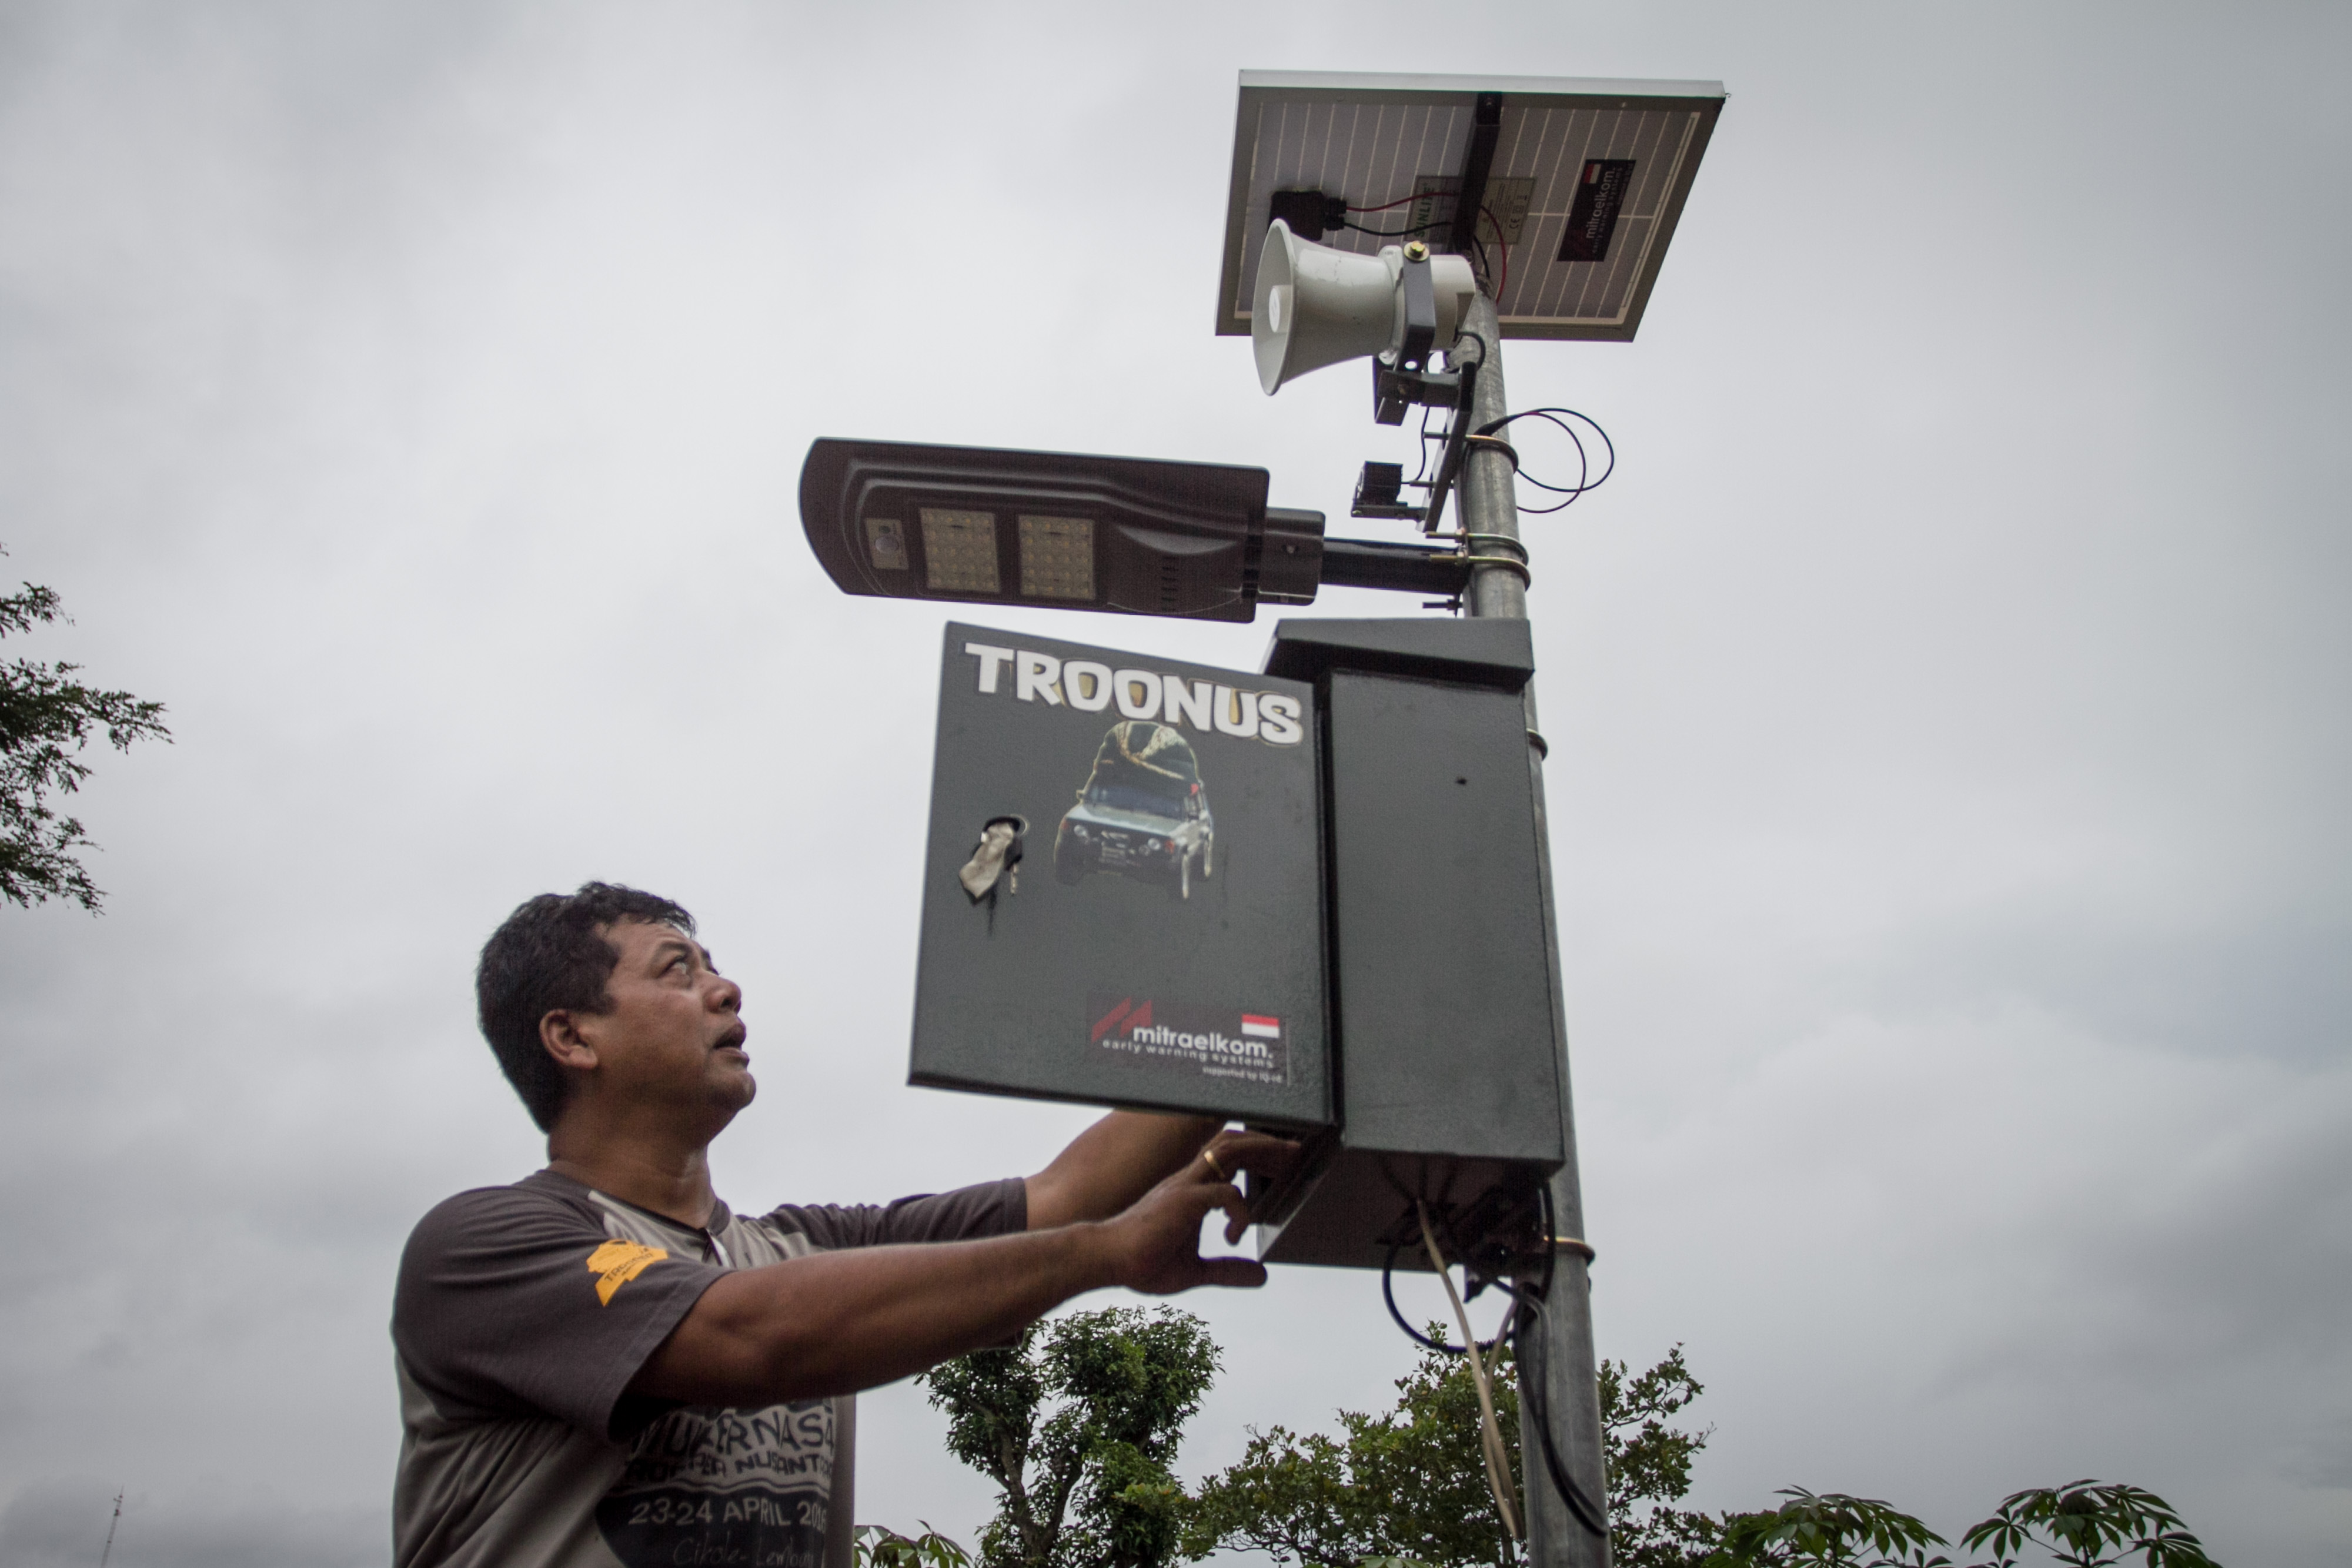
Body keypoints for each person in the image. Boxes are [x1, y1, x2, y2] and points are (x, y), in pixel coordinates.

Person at [392, 882, 1293, 1568]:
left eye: (713, 966)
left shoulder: (798, 1251)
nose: (727, 988)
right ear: (573, 1037)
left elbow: (1064, 1199)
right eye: (680, 970)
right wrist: (1103, 1256)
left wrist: (1267, 1023)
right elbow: (753, 1339)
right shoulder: (482, 1250)